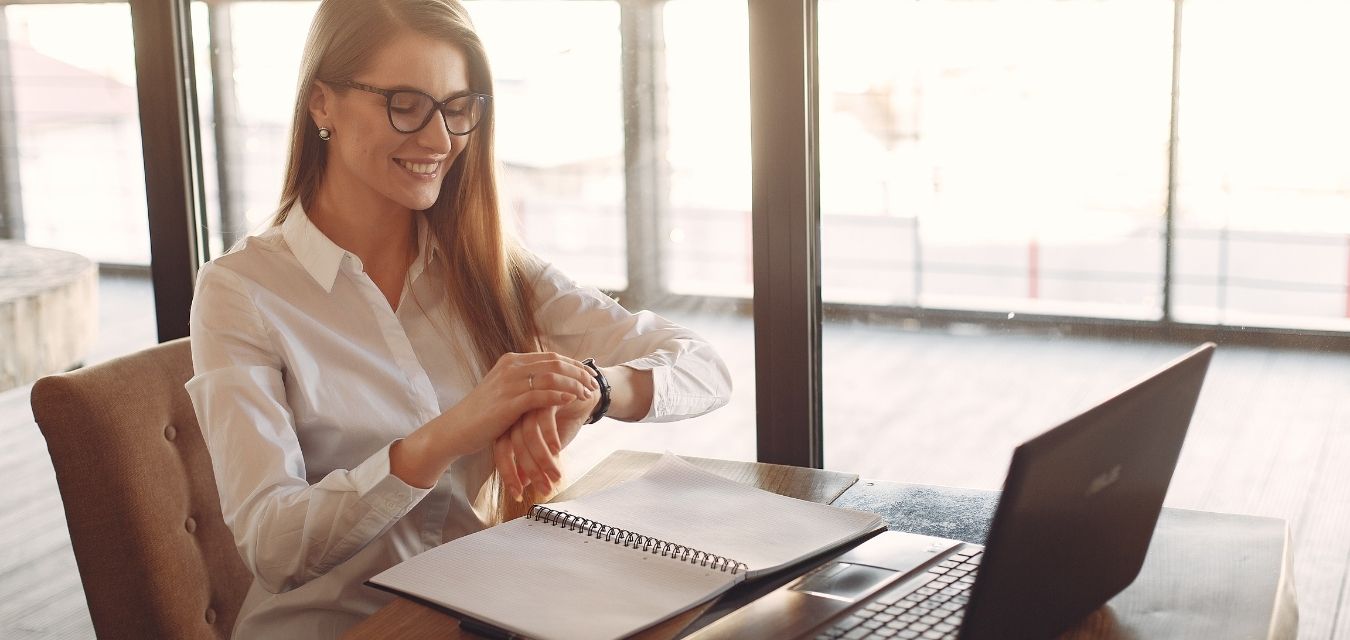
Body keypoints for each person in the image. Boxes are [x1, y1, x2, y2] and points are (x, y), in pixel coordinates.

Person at [184, 0, 732, 637]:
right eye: (406, 104)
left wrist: (592, 389)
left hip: (477, 614)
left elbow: (704, 366)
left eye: (456, 108)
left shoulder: (487, 266)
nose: (440, 140)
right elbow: (273, 547)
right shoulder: (241, 291)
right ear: (321, 104)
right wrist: (449, 434)